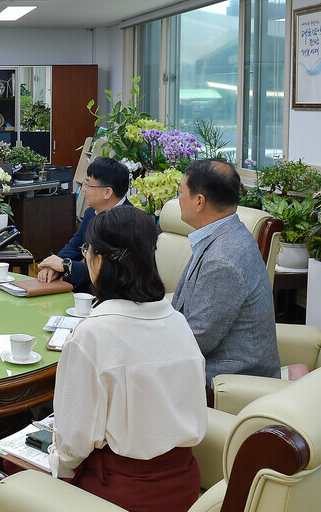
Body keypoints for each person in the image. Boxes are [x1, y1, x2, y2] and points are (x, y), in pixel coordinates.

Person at [48, 206, 206, 512]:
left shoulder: (90, 336)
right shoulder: (179, 322)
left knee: (12, 467)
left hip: (120, 493)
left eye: (87, 250)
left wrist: (57, 466)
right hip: (185, 486)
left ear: (99, 261)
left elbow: (72, 447)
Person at [172, 159, 280, 384]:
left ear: (199, 201)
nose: (177, 199)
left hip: (225, 379)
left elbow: (197, 339)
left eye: (180, 192)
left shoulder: (222, 260)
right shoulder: (226, 234)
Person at [37, 157, 131, 289]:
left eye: (88, 185)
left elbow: (110, 272)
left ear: (107, 192)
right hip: (86, 289)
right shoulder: (91, 212)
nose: (83, 190)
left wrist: (66, 265)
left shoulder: (129, 222)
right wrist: (54, 267)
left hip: (113, 294)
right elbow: (74, 246)